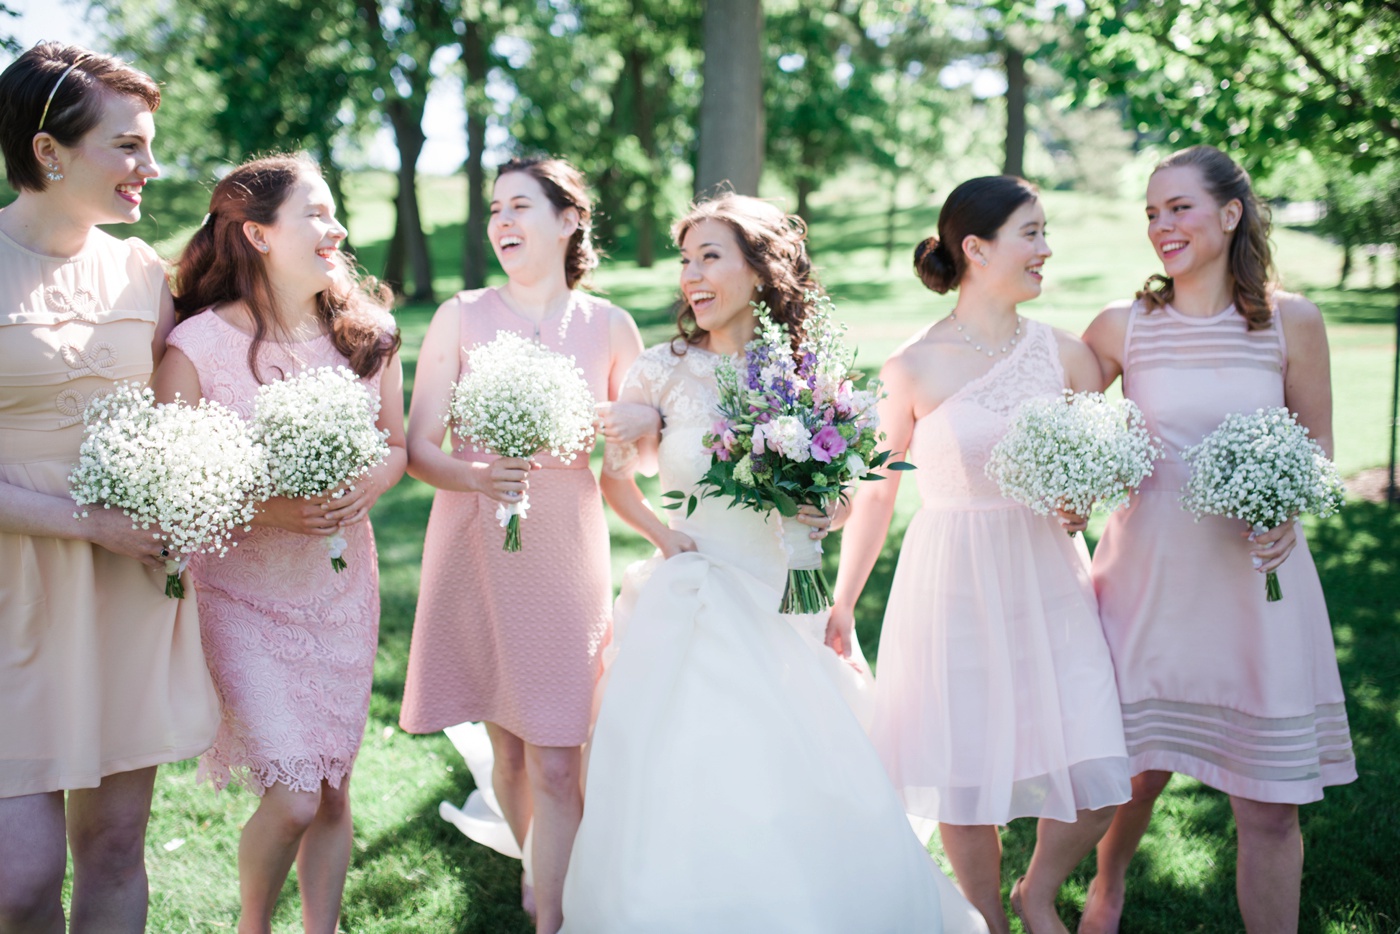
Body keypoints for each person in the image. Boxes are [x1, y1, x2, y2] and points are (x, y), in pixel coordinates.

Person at [559, 193, 988, 934]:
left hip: (785, 595)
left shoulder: (802, 373)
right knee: (684, 771)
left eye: (711, 256)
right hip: (691, 594)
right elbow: (616, 485)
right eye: (686, 259)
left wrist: (827, 511)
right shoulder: (660, 372)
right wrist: (667, 541)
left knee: (799, 774)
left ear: (758, 273)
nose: (691, 275)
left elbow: (846, 497)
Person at [828, 176, 1131, 934]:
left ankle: (1038, 890)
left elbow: (1097, 468)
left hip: (1048, 578)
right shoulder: (912, 367)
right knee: (963, 774)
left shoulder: (1068, 356)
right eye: (1031, 233)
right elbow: (877, 491)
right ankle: (990, 921)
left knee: (1098, 776)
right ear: (976, 248)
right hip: (950, 582)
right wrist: (843, 600)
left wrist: (1080, 500)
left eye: (1044, 232)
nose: (1046, 249)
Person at [1076, 145, 1356, 934]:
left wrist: (1287, 507)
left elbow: (1318, 453)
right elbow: (1055, 425)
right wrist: (1069, 491)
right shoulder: (1123, 327)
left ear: (1231, 214)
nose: (1162, 226)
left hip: (1255, 593)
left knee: (1268, 812)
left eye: (1180, 208)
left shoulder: (1290, 320)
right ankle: (1108, 886)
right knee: (1132, 778)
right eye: (1152, 213)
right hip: (1147, 584)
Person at [153, 153, 405, 933]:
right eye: (316, 214)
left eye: (335, 214)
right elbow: (171, 486)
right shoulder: (194, 349)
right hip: (242, 597)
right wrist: (271, 510)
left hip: (340, 592)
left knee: (332, 786)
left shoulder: (369, 335)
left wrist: (374, 482)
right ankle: (253, 926)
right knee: (295, 791)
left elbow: (393, 444)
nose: (335, 230)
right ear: (259, 234)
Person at [398, 156, 651, 934]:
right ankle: (541, 879)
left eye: (520, 207)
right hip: (476, 539)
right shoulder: (462, 313)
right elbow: (418, 446)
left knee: (557, 751)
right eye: (495, 210)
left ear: (569, 219)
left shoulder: (611, 324)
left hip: (567, 542)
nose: (502, 223)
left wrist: (631, 434)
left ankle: (555, 917)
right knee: (507, 748)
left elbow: (635, 456)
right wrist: (479, 477)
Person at [0, 42, 219, 931]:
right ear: (49, 152)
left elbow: (186, 409)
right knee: (17, 880)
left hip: (126, 589)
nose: (150, 168)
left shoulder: (141, 274)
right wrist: (85, 522)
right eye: (127, 145)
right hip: (14, 589)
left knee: (118, 846)